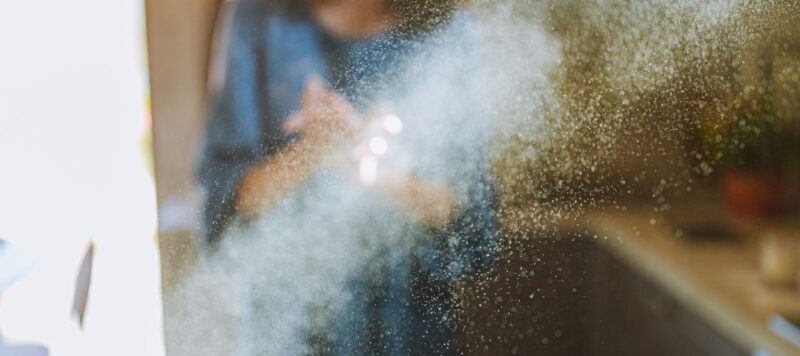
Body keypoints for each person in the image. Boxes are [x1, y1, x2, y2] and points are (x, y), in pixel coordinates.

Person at [197, 0, 497, 354]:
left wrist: (378, 173)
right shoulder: (261, 18)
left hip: (411, 332)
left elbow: (472, 226)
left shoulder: (449, 31)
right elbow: (224, 213)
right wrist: (313, 152)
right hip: (287, 334)